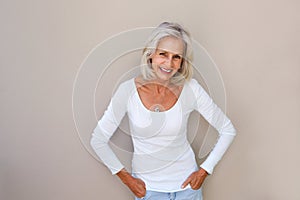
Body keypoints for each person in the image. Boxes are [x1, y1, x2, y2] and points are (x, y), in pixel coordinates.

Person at [90, 22, 236, 200]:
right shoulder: (127, 91)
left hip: (188, 189)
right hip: (148, 190)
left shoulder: (191, 89)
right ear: (150, 54)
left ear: (182, 62)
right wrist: (128, 180)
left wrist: (204, 171)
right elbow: (98, 139)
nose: (169, 63)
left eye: (176, 57)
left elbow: (228, 129)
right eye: (163, 54)